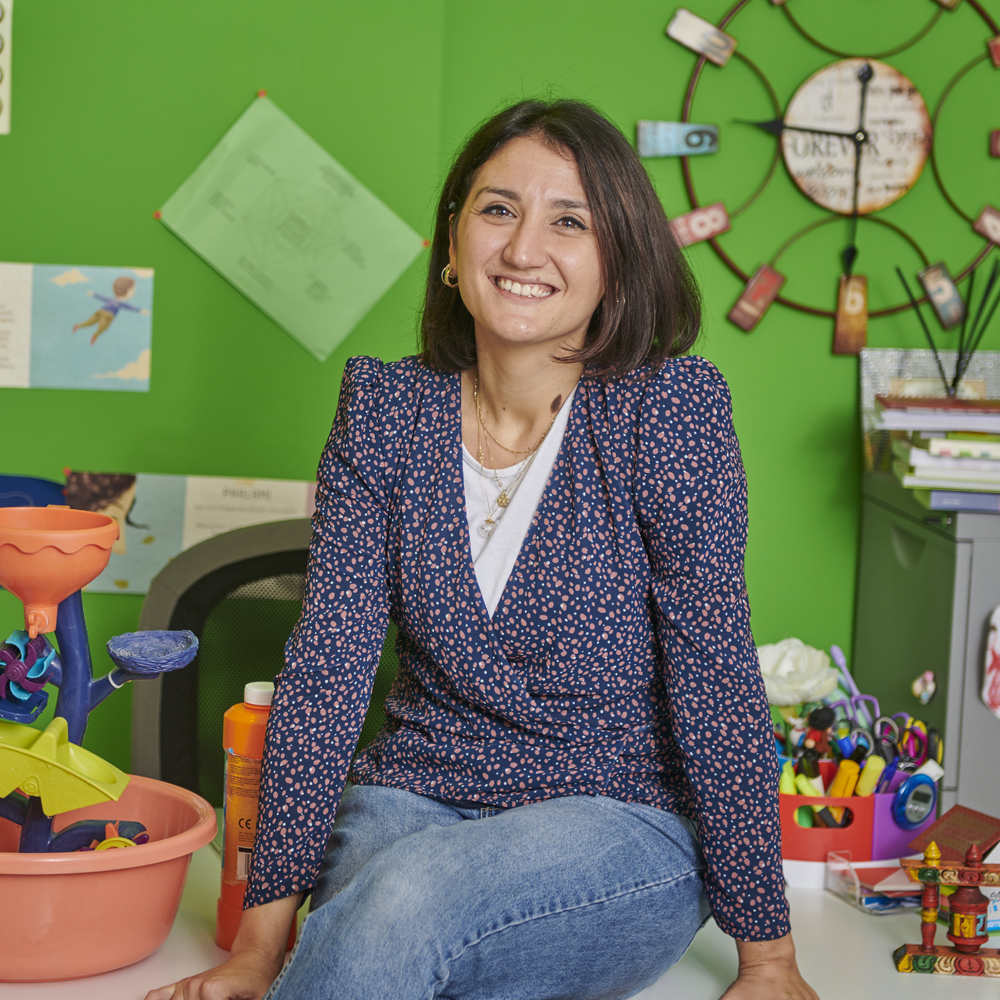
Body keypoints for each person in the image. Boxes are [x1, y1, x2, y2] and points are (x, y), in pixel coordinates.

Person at [147, 99, 819, 1000]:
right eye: (499, 209)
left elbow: (715, 675)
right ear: (453, 242)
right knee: (391, 905)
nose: (523, 248)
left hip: (616, 820)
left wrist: (770, 960)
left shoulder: (666, 410)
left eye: (569, 221)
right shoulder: (385, 410)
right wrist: (256, 955)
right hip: (412, 800)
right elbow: (327, 672)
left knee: (406, 901)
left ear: (618, 260)